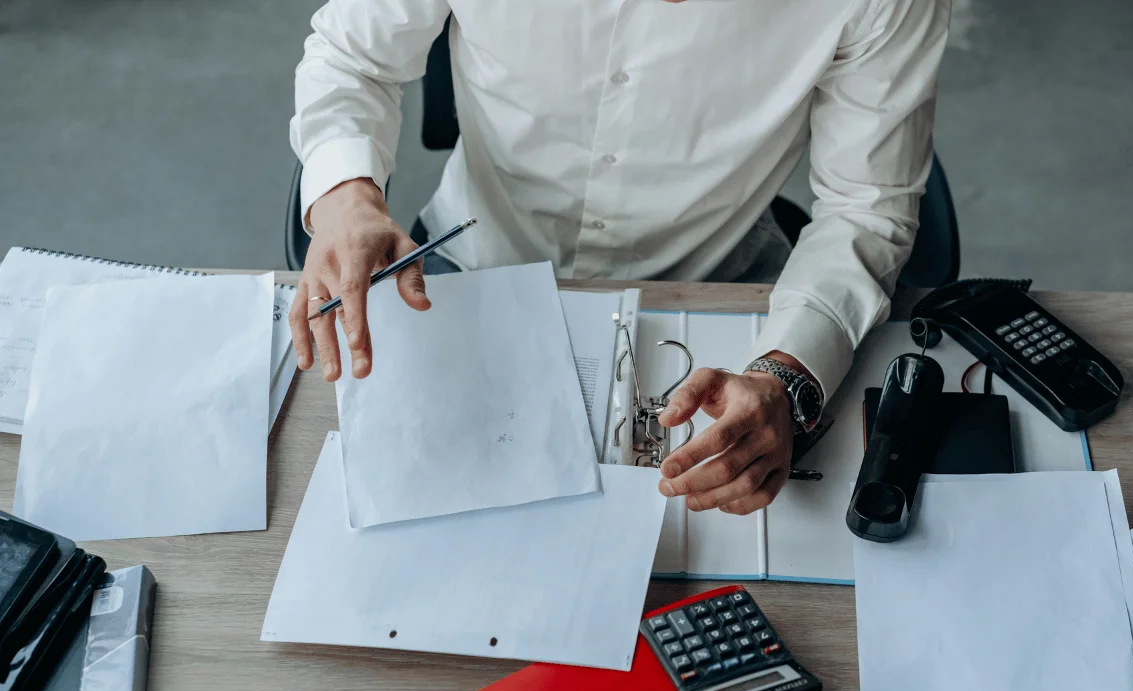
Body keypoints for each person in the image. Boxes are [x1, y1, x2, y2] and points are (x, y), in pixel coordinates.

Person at [288, 0, 951, 516]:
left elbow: (867, 203)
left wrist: (788, 371)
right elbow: (352, 57)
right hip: (471, 265)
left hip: (717, 298)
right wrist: (346, 196)